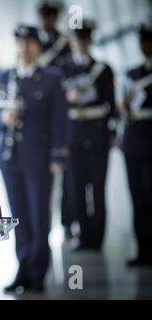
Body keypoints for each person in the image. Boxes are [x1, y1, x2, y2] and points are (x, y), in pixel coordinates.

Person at [0, 25, 68, 293]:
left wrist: (57, 155)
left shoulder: (51, 78)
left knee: (39, 216)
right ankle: (23, 269)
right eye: (20, 42)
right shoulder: (4, 76)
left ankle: (38, 273)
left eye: (29, 43)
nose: (24, 48)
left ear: (38, 47)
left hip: (39, 158)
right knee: (18, 217)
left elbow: (60, 119)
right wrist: (0, 119)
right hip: (10, 159)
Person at [61, 21, 118, 251]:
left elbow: (111, 106)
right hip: (73, 137)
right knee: (76, 188)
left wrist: (111, 132)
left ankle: (98, 238)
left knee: (98, 188)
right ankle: (83, 236)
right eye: (77, 40)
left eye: (84, 40)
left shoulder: (103, 70)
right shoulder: (64, 70)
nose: (81, 44)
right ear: (72, 43)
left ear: (90, 42)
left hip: (97, 137)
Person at [118, 24, 152, 267]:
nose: (145, 46)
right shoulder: (133, 74)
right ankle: (143, 250)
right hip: (134, 140)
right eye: (142, 42)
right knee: (138, 198)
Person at [37, 0, 71, 68]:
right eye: (43, 17)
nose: (45, 21)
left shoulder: (63, 40)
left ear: (56, 19)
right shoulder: (33, 38)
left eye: (49, 18)